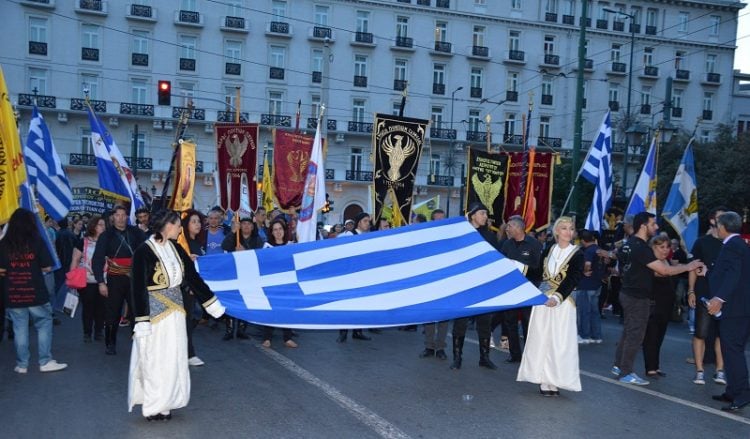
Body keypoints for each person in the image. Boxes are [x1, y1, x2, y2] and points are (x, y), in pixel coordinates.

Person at [128, 210, 226, 421]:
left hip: (176, 315)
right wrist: (141, 320)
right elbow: (136, 289)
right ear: (167, 226)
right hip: (153, 317)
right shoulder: (143, 252)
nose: (180, 228)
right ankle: (153, 405)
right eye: (177, 224)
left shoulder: (177, 249)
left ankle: (166, 403)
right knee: (154, 359)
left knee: (173, 359)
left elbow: (193, 278)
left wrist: (213, 304)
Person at [611, 212, 704, 386]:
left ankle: (618, 366)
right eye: (653, 224)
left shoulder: (627, 244)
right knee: (635, 335)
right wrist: (689, 266)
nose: (656, 227)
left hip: (628, 293)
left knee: (628, 333)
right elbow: (664, 270)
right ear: (643, 226)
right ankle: (626, 372)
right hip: (637, 297)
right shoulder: (641, 247)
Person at [517, 216, 584, 395]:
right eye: (564, 228)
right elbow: (537, 272)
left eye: (571, 228)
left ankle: (555, 380)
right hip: (542, 301)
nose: (568, 232)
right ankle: (542, 379)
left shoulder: (577, 253)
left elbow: (573, 278)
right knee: (540, 338)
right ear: (556, 231)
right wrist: (518, 266)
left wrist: (557, 297)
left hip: (563, 303)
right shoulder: (548, 250)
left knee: (560, 341)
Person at [0, 208, 68, 374]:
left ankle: (22, 364)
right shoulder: (37, 241)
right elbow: (47, 266)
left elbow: (1, 270)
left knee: (19, 328)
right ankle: (44, 361)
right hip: (35, 291)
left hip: (14, 292)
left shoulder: (4, 243)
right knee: (44, 324)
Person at [705, 211, 750, 412]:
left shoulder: (733, 245)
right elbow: (731, 272)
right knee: (730, 349)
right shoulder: (738, 244)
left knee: (733, 351)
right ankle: (733, 390)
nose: (715, 229)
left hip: (735, 308)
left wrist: (718, 298)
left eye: (716, 225)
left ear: (722, 227)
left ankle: (742, 394)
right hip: (738, 307)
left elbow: (733, 274)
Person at [450, 202, 502, 370]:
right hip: (464, 286)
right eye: (482, 213)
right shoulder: (461, 235)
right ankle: (457, 357)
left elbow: (496, 260)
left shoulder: (490, 236)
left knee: (485, 323)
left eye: (486, 214)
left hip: (484, 285)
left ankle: (484, 357)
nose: (485, 216)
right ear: (472, 215)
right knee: (460, 323)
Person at [92, 205, 147, 355]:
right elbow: (97, 259)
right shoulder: (106, 235)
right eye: (118, 215)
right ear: (113, 217)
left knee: (137, 311)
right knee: (113, 312)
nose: (121, 218)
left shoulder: (136, 233)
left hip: (133, 278)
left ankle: (139, 343)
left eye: (124, 215)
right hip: (114, 278)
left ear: (127, 217)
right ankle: (110, 344)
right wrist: (100, 282)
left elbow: (146, 252)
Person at [688, 207, 727, 385]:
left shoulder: (730, 243)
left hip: (724, 295)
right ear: (712, 220)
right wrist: (691, 290)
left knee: (722, 335)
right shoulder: (701, 242)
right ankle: (699, 370)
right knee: (701, 332)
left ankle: (720, 371)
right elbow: (693, 268)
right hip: (704, 293)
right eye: (721, 217)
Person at [498, 215, 542, 363]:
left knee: (527, 323)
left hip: (528, 290)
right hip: (510, 290)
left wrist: (519, 266)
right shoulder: (506, 244)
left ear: (518, 228)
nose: (507, 229)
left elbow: (538, 269)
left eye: (509, 226)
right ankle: (515, 354)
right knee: (510, 323)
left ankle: (531, 356)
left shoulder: (535, 244)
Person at [220, 214, 263, 340]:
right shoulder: (234, 236)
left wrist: (246, 252)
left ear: (252, 226)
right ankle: (229, 328)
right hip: (233, 273)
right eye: (244, 224)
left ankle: (242, 329)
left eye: (249, 224)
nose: (246, 226)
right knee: (231, 301)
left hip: (249, 275)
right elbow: (224, 246)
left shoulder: (257, 239)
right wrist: (233, 232)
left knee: (246, 302)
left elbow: (259, 255)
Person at [642, 234, 676, 378]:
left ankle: (655, 366)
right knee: (651, 337)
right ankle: (650, 368)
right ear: (653, 247)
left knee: (659, 337)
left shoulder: (667, 262)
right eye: (661, 247)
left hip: (666, 306)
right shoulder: (653, 262)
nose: (665, 250)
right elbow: (663, 273)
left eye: (667, 247)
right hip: (653, 306)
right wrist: (687, 266)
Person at [260, 218, 298, 349]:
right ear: (271, 232)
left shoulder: (291, 245)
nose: (278, 232)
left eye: (280, 229)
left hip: (288, 284)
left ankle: (287, 338)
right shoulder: (266, 247)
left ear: (284, 230)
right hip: (272, 285)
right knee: (270, 311)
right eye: (275, 229)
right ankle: (267, 338)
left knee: (287, 311)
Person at [336, 212, 373, 342]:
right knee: (347, 305)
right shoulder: (349, 235)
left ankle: (358, 331)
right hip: (349, 277)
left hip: (362, 277)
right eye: (365, 221)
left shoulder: (367, 237)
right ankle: (343, 332)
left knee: (360, 305)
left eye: (368, 221)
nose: (368, 223)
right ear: (359, 223)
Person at [69, 215, 107, 343]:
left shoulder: (107, 241)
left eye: (104, 225)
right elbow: (75, 259)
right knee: (88, 307)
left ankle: (98, 331)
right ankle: (87, 332)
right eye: (100, 225)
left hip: (104, 280)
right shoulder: (82, 241)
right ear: (93, 226)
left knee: (101, 307)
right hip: (87, 281)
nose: (103, 227)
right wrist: (72, 277)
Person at [180, 209, 208, 366]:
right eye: (194, 221)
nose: (198, 225)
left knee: (196, 315)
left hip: (196, 288)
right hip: (186, 289)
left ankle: (183, 348)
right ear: (186, 224)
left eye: (199, 221)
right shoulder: (182, 244)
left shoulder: (197, 243)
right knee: (188, 318)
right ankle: (189, 354)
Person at [574, 230, 605, 344]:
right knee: (594, 311)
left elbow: (587, 265)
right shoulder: (598, 249)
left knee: (584, 311)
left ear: (582, 240)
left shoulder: (587, 251)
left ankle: (584, 335)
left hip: (586, 284)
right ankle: (596, 336)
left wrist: (583, 271)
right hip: (596, 283)